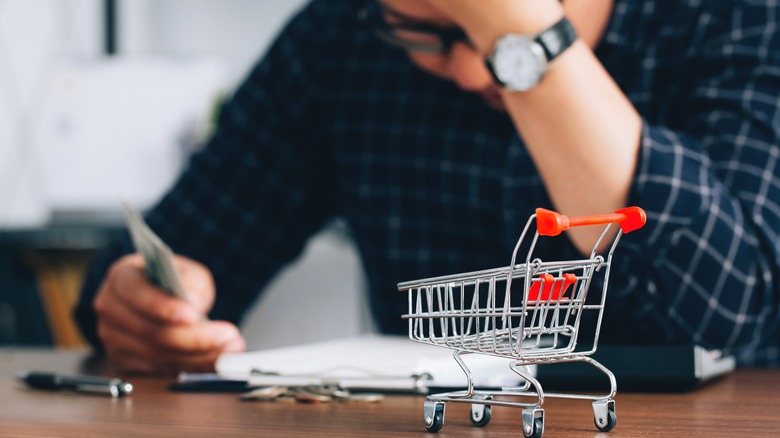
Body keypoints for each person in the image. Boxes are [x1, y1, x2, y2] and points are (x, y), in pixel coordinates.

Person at [74, 0, 780, 372]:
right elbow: (174, 258)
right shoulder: (340, 42)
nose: (480, 74)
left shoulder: (741, 18)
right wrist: (142, 304)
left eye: (506, 33)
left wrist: (529, 45)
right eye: (426, 34)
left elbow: (720, 322)